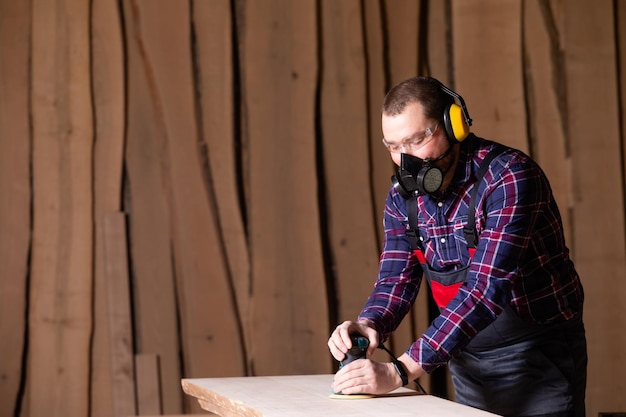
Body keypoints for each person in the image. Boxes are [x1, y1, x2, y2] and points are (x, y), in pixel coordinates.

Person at [327, 76, 587, 417]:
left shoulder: (509, 178)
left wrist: (399, 372)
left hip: (538, 357)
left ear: (454, 124)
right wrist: (369, 324)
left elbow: (484, 291)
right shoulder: (402, 200)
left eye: (416, 140)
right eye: (393, 147)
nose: (406, 161)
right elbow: (395, 280)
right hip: (466, 358)